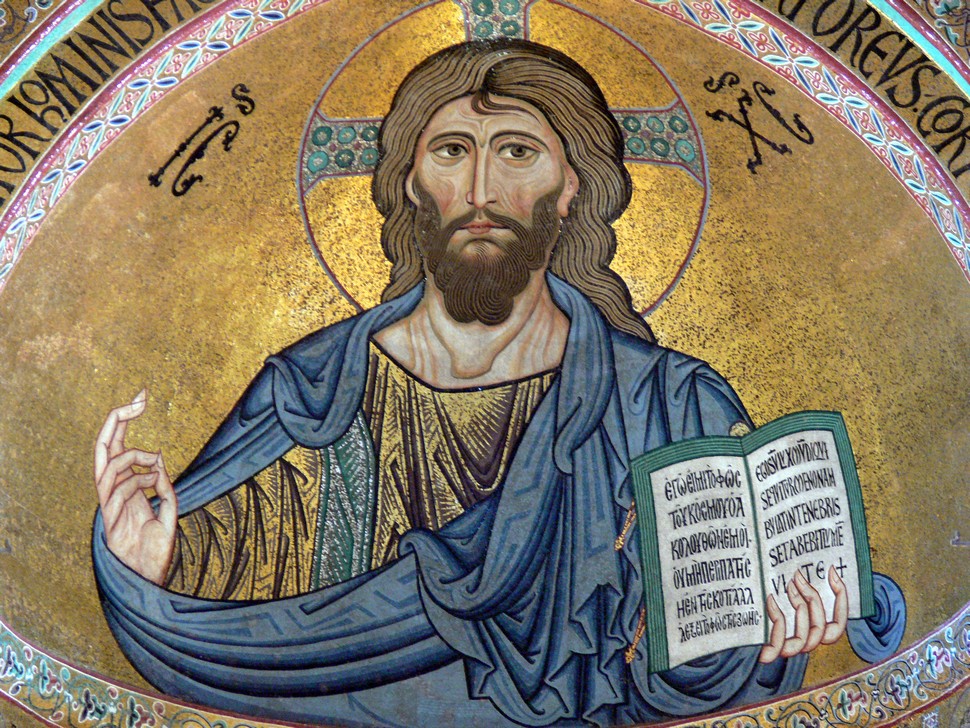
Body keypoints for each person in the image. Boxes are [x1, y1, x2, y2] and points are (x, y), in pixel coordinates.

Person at [91, 39, 905, 727]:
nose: (481, 190)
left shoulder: (666, 406)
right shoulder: (311, 394)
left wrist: (766, 645)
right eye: (452, 152)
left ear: (571, 186)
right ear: (412, 183)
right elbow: (230, 618)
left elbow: (672, 686)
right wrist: (148, 568)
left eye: (518, 152)